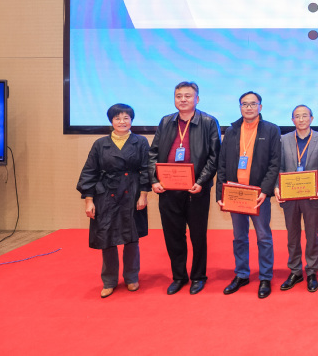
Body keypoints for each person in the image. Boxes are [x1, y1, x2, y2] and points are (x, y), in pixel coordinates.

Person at [149, 82, 221, 295]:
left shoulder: (208, 122)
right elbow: (153, 154)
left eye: (188, 96)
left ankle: (198, 276)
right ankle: (179, 276)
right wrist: (154, 180)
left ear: (197, 99)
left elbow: (214, 156)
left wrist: (201, 181)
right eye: (179, 96)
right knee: (173, 236)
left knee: (198, 236)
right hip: (168, 189)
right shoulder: (166, 121)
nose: (183, 99)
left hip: (196, 190)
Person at [77, 104, 150, 298]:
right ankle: (109, 280)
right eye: (117, 118)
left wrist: (143, 195)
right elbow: (89, 172)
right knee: (106, 238)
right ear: (111, 121)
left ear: (132, 120)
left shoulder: (141, 142)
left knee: (131, 238)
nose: (122, 122)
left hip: (132, 193)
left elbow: (146, 170)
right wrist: (89, 200)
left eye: (126, 118)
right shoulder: (100, 144)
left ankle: (131, 277)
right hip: (105, 195)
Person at [216, 91, 282, 299]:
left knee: (263, 237)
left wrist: (265, 191)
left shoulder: (271, 130)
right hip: (235, 193)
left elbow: (275, 163)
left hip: (258, 195)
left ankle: (265, 277)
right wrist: (220, 193)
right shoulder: (232, 130)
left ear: (260, 107)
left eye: (253, 104)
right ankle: (242, 274)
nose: (249, 108)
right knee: (239, 237)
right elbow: (222, 163)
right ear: (240, 107)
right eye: (245, 104)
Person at [275, 104, 318, 293]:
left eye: (305, 116)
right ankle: (295, 271)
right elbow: (279, 167)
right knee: (292, 236)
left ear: (311, 118)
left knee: (312, 235)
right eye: (297, 116)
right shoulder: (283, 140)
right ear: (292, 120)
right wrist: (277, 187)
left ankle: (312, 271)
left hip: (311, 196)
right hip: (290, 196)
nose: (301, 119)